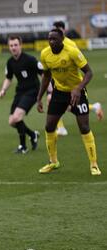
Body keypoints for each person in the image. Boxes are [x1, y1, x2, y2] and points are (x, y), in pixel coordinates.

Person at [36, 29, 101, 176]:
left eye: (54, 39)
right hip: (59, 92)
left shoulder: (72, 52)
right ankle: (53, 162)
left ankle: (94, 164)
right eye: (49, 39)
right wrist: (39, 97)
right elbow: (46, 76)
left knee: (84, 127)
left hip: (77, 93)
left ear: (62, 39)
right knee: (49, 126)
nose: (51, 42)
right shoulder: (45, 54)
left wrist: (78, 88)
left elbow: (89, 73)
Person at [50, 21, 104, 135]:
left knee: (70, 106)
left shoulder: (71, 45)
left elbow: (80, 64)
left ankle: (61, 128)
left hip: (71, 82)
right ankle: (61, 128)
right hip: (58, 80)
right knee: (61, 105)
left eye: (59, 30)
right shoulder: (53, 43)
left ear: (63, 30)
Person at [0, 35, 42, 154]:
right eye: (11, 45)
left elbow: (44, 74)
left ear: (20, 45)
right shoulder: (10, 62)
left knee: (17, 117)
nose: (13, 48)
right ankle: (33, 135)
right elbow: (8, 78)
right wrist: (3, 90)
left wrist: (49, 91)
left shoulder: (30, 59)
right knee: (12, 122)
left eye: (15, 45)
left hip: (33, 91)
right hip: (20, 92)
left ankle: (23, 146)